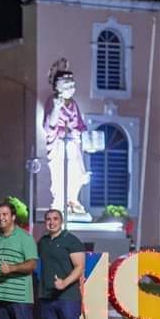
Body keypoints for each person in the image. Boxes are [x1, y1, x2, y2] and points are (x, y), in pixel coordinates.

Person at [37, 209, 85, 319]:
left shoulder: (71, 241)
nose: (51, 222)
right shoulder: (43, 242)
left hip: (68, 297)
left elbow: (79, 266)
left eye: (55, 219)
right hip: (47, 296)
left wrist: (65, 283)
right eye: (48, 219)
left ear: (61, 221)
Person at [44, 60, 89, 216]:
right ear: (58, 87)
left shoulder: (73, 104)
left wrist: (79, 134)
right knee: (60, 172)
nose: (71, 89)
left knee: (75, 172)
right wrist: (56, 109)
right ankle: (60, 201)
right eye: (67, 86)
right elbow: (50, 125)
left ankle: (73, 200)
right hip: (59, 143)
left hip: (72, 144)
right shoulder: (53, 102)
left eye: (72, 86)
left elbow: (79, 124)